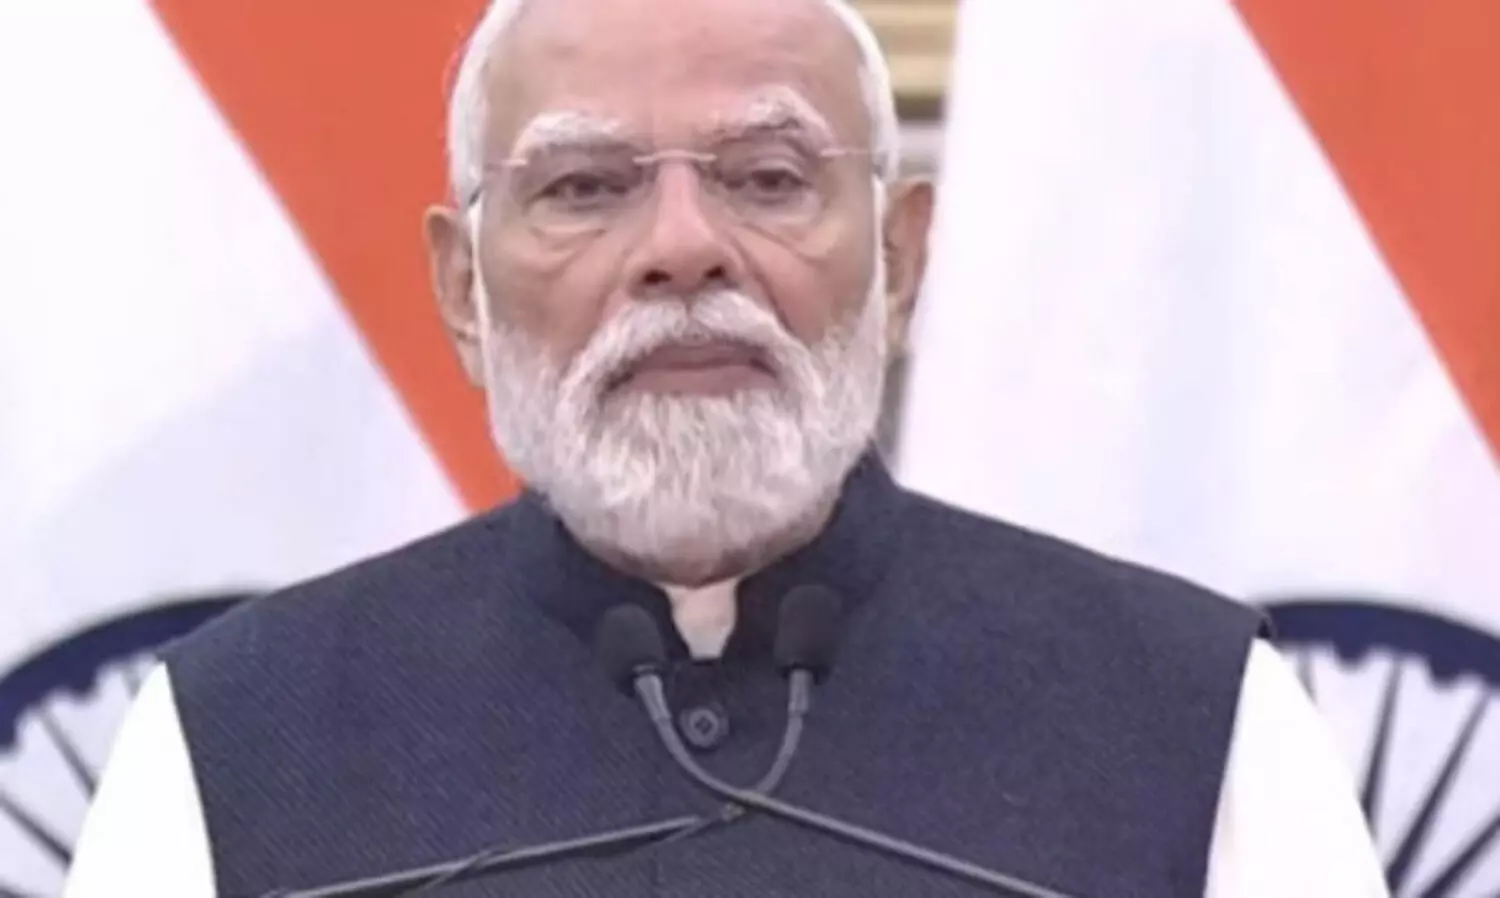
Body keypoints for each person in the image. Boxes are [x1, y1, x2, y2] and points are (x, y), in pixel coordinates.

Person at [65, 0, 1391, 896]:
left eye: (767, 176)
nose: (683, 247)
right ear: (464, 289)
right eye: (585, 187)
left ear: (900, 257)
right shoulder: (237, 738)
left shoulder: (1196, 718)